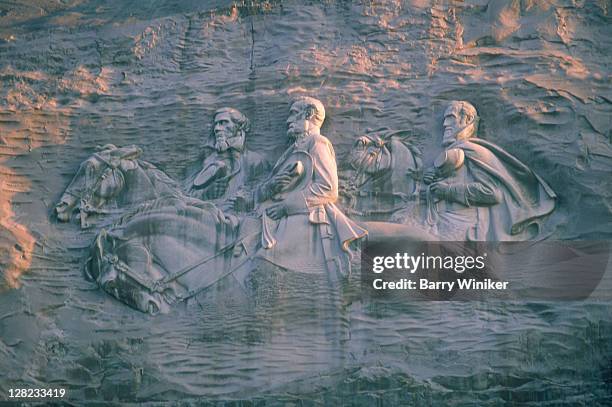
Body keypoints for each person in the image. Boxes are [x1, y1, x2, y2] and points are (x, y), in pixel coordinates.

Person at [230, 97, 367, 276]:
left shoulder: (318, 142)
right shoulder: (292, 149)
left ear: (309, 114)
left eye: (294, 114)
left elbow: (327, 188)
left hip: (303, 213)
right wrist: (271, 187)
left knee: (265, 262)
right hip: (274, 212)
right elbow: (275, 185)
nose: (288, 121)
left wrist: (286, 207)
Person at [423, 100, 556, 241]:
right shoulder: (452, 153)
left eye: (451, 118)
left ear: (467, 120)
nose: (445, 124)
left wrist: (447, 191)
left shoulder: (474, 151)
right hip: (439, 222)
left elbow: (491, 192)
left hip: (463, 229)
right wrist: (431, 179)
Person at [186, 107, 267, 203]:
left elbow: (264, 191)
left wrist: (245, 199)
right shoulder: (207, 160)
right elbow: (187, 194)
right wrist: (207, 192)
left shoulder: (255, 161)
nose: (217, 129)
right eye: (215, 124)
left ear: (239, 126)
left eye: (223, 123)